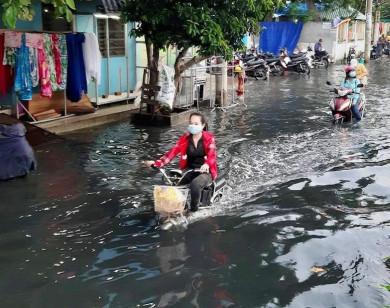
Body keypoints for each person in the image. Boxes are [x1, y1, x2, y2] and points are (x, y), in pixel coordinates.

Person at [144, 111, 217, 212]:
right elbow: (171, 153)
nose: (193, 126)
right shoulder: (185, 138)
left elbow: (212, 156)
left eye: (196, 124)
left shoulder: (209, 138)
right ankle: (180, 209)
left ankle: (193, 211)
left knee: (195, 184)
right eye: (191, 123)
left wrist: (206, 164)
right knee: (176, 188)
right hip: (189, 170)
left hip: (205, 171)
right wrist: (157, 163)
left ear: (203, 125)